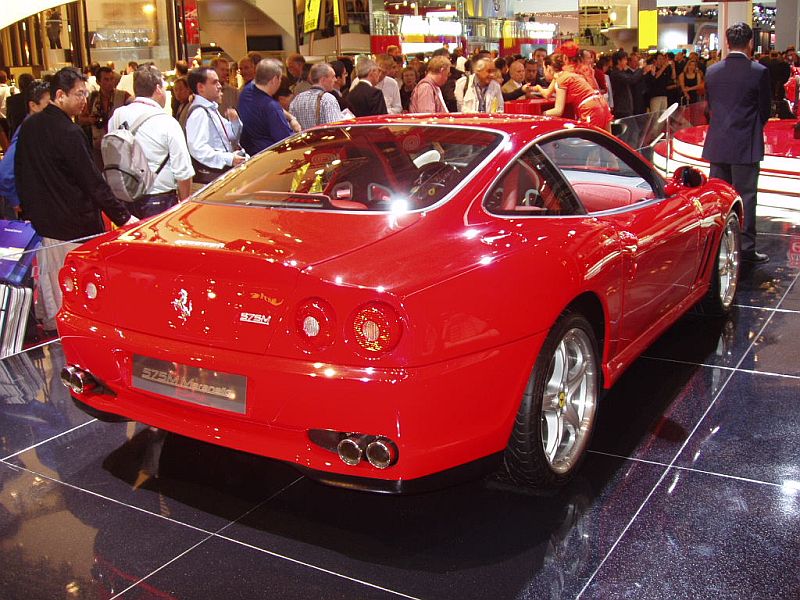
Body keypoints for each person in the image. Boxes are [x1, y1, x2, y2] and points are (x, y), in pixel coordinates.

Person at [15, 68, 137, 331]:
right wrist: (124, 217)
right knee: (77, 292)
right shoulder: (68, 132)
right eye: (78, 94)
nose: (84, 100)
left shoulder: (30, 126)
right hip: (74, 228)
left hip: (45, 225)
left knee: (54, 290)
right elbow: (92, 182)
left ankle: (60, 333)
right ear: (60, 95)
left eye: (85, 93)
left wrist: (30, 212)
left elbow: (21, 173)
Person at [703, 22, 772, 264]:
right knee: (746, 196)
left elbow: (709, 107)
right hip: (746, 142)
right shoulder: (758, 71)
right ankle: (746, 249)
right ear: (750, 43)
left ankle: (717, 245)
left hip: (718, 142)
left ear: (727, 42)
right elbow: (765, 109)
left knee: (719, 198)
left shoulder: (712, 71)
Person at [107, 65, 194, 218]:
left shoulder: (117, 115)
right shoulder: (166, 121)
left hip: (125, 198)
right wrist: (184, 207)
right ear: (158, 89)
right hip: (159, 200)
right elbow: (183, 171)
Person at [0, 80, 50, 219]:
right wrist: (16, 200)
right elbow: (5, 172)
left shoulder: (40, 127)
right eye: (48, 105)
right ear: (33, 106)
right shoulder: (30, 130)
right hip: (36, 209)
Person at [185, 67, 245, 183]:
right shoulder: (199, 113)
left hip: (219, 173)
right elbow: (198, 148)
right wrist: (229, 159)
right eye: (214, 82)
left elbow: (230, 137)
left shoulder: (211, 109)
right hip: (211, 177)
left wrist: (235, 121)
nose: (219, 86)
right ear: (201, 87)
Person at [534, 53, 612, 131]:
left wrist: (540, 115)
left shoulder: (560, 80)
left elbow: (558, 111)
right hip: (602, 104)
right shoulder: (567, 75)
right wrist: (538, 88)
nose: (543, 72)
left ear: (548, 68)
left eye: (543, 68)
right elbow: (547, 94)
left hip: (590, 108)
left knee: (589, 141)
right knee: (608, 140)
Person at [238, 59, 293, 155]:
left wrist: (291, 117)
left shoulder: (245, 93)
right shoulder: (271, 107)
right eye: (280, 79)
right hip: (269, 158)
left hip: (250, 156)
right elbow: (285, 141)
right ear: (275, 79)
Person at [79, 66, 130, 167]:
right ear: (98, 82)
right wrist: (91, 120)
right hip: (99, 145)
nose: (110, 82)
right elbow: (81, 119)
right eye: (106, 79)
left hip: (119, 145)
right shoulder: (92, 99)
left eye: (112, 79)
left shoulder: (123, 96)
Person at [289, 63, 345, 129]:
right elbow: (336, 129)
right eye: (333, 77)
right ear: (323, 79)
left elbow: (292, 126)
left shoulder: (297, 99)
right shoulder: (327, 99)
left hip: (304, 138)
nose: (335, 80)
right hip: (323, 138)